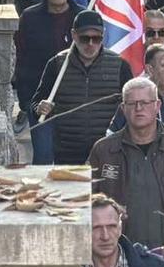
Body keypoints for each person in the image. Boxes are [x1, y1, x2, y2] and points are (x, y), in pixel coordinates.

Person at [89, 76, 164, 248]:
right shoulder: (104, 150)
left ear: (157, 106)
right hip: (120, 250)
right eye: (132, 103)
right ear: (123, 108)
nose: (139, 108)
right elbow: (86, 200)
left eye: (145, 103)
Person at [31, 9, 134, 164]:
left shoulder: (120, 65)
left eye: (96, 38)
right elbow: (36, 101)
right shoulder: (57, 64)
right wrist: (40, 108)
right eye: (85, 38)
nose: (90, 44)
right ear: (74, 35)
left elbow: (132, 104)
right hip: (67, 152)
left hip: (109, 150)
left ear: (103, 35)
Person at [13, 0, 82, 135]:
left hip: (75, 96)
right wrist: (25, 97)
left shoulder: (82, 16)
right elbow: (20, 55)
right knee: (43, 149)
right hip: (38, 96)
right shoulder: (29, 17)